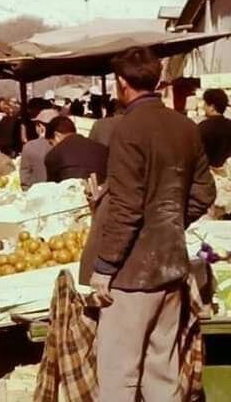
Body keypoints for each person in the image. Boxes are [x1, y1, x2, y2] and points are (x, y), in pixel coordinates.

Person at [81, 46, 216, 401]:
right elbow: (205, 192)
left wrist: (104, 267)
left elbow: (126, 208)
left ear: (121, 83)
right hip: (171, 268)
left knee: (118, 380)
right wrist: (168, 222)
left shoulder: (128, 129)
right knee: (163, 375)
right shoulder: (185, 126)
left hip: (131, 276)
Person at [44, 116, 109, 184]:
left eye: (51, 143)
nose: (52, 146)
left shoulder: (53, 155)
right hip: (100, 191)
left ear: (56, 135)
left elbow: (52, 186)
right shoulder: (102, 149)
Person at [19, 109, 56, 189]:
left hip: (35, 194)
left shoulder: (30, 146)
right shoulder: (63, 145)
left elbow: (25, 176)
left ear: (40, 126)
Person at [198, 88, 231, 168]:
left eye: (205, 104)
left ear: (212, 107)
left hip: (208, 172)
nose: (203, 107)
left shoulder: (203, 127)